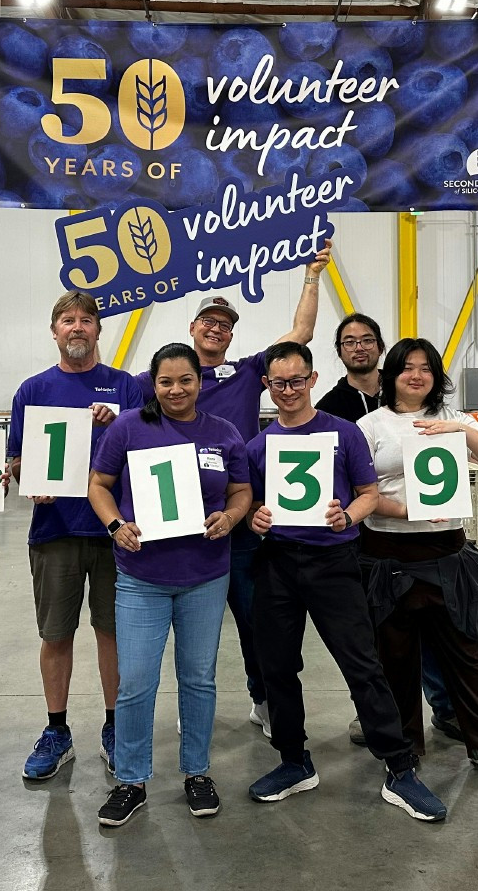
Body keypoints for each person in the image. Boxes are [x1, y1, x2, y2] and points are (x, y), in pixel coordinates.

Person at [136, 241, 332, 738]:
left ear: (230, 333)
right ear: (193, 327)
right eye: (209, 320)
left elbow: (302, 333)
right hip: (178, 516)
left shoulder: (247, 372)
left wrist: (311, 275)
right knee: (185, 623)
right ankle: (191, 704)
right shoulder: (164, 378)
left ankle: (262, 697)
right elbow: (115, 408)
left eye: (225, 323)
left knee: (252, 616)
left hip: (239, 515)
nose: (216, 327)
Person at [246, 341, 447, 822]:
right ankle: (294, 761)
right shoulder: (257, 446)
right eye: (279, 383)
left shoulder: (344, 434)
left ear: (313, 380)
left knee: (362, 664)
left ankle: (400, 768)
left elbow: (368, 493)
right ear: (266, 387)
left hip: (334, 563)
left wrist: (347, 517)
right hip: (276, 564)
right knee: (277, 668)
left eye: (298, 380)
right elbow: (247, 503)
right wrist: (254, 517)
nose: (289, 390)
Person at [89, 343, 253, 827]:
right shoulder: (128, 428)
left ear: (200, 383)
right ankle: (131, 780)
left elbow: (240, 490)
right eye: (166, 382)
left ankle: (197, 773)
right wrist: (117, 525)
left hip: (205, 576)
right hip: (141, 577)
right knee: (136, 682)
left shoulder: (224, 433)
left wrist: (232, 515)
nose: (176, 389)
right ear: (152, 385)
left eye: (186, 380)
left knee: (199, 679)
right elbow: (99, 484)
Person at [357, 338, 478, 780]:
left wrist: (464, 432)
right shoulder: (370, 426)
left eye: (426, 368)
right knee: (395, 659)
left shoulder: (453, 418)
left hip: (448, 554)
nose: (416, 376)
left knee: (468, 654)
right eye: (406, 368)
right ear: (390, 375)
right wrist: (410, 510)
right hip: (389, 555)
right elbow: (360, 494)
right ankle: (405, 747)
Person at [8, 291, 144, 782]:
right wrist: (31, 481)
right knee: (55, 634)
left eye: (87, 320)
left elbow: (148, 453)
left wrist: (120, 424)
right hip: (54, 532)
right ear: (55, 330)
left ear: (98, 331)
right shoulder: (32, 390)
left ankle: (114, 725)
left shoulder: (126, 388)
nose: (78, 327)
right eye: (68, 320)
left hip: (115, 534)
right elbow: (19, 461)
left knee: (112, 633)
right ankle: (56, 730)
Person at [316, 312, 462, 749]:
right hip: (361, 540)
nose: (358, 347)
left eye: (366, 340)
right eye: (348, 341)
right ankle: (377, 713)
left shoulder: (416, 400)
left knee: (431, 632)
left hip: (425, 537)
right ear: (339, 352)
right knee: (377, 636)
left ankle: (445, 706)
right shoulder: (332, 406)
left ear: (381, 348)